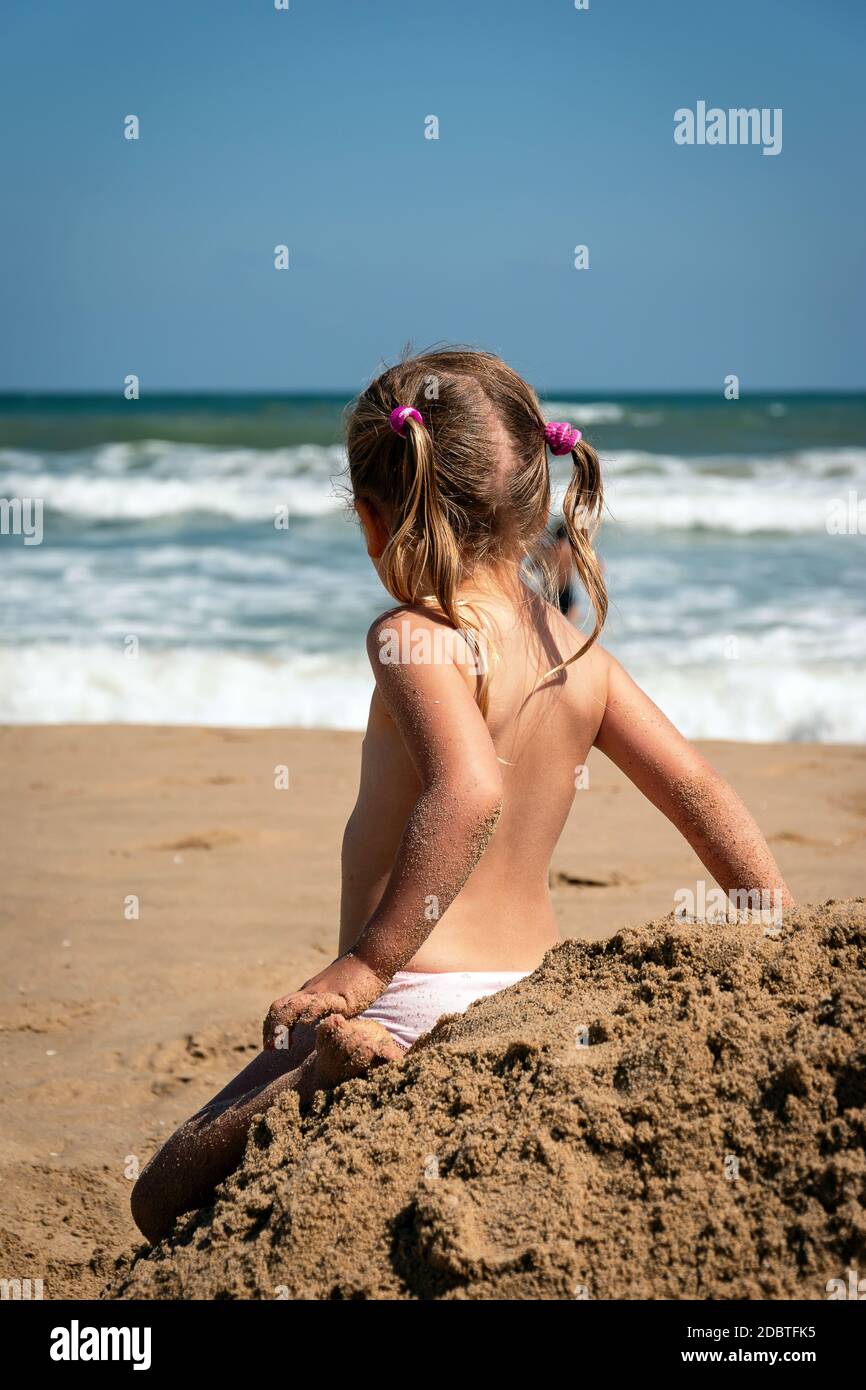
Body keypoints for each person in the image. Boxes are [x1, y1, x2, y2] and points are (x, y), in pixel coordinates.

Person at [131, 348, 792, 1244]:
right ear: (535, 510)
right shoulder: (581, 659)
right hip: (533, 1002)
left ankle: (326, 1079)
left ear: (373, 520)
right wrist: (774, 926)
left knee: (161, 1192)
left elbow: (470, 788)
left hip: (409, 996)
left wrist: (365, 967)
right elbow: (697, 787)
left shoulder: (414, 637)